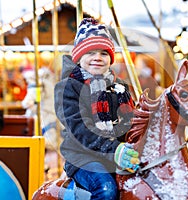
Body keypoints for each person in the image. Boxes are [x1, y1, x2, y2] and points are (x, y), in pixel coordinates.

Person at [54, 18, 140, 199]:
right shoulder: (68, 87)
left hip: (118, 152)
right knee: (106, 189)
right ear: (79, 57)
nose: (98, 58)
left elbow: (131, 121)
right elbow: (80, 130)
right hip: (83, 158)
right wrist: (114, 150)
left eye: (104, 53)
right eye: (91, 52)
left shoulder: (119, 87)